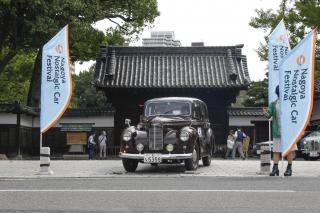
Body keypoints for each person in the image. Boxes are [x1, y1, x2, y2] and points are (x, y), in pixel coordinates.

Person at [263, 85, 294, 176]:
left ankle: (289, 168)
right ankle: (275, 168)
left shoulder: (290, 102)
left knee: (288, 150)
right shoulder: (273, 104)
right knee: (276, 150)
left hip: (288, 130)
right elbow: (269, 115)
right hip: (278, 130)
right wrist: (265, 113)